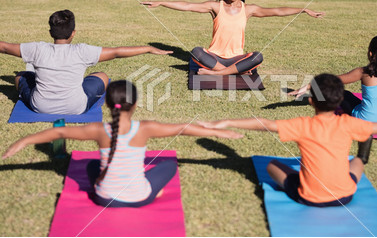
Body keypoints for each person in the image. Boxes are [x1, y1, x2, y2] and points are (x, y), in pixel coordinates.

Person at [198, 74, 377, 207]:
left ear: (311, 101)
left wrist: (227, 121)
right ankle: (362, 156)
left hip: (309, 196)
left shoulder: (303, 125)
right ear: (341, 101)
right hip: (347, 194)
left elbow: (265, 123)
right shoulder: (350, 123)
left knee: (272, 165)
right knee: (357, 161)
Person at [3, 80, 242, 207]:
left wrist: (23, 141)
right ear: (135, 104)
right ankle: (153, 193)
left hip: (103, 198)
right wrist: (219, 133)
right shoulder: (145, 128)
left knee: (89, 166)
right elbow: (183, 128)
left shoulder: (99, 130)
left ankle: (104, 182)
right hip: (140, 198)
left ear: (106, 105)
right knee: (169, 165)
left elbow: (58, 133)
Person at [141, 0, 324, 76]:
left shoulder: (249, 9)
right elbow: (188, 6)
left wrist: (303, 9)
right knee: (196, 52)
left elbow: (276, 11)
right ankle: (233, 72)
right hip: (214, 57)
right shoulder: (216, 6)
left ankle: (218, 73)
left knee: (257, 57)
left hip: (236, 58)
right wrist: (162, 2)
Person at [0, 9, 173, 115]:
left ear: (50, 32)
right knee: (102, 76)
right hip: (76, 107)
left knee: (22, 76)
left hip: (41, 107)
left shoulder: (37, 49)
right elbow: (117, 52)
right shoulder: (81, 51)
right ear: (73, 33)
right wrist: (148, 48)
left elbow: (5, 48)